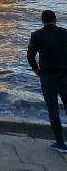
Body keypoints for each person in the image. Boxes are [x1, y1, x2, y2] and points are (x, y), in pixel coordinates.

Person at [27, 10, 67, 153]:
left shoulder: (37, 35)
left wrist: (36, 69)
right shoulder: (65, 33)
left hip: (47, 76)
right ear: (55, 19)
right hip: (65, 75)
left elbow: (30, 55)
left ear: (42, 20)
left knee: (53, 110)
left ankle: (60, 143)